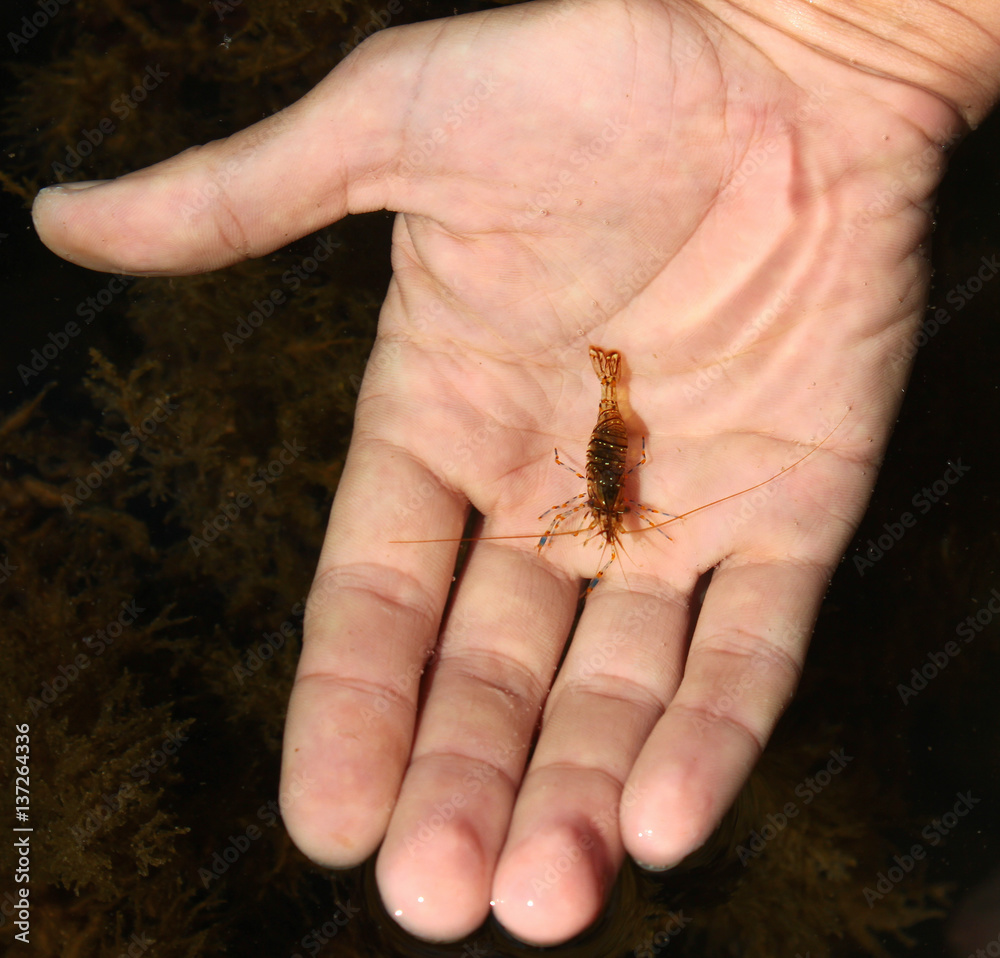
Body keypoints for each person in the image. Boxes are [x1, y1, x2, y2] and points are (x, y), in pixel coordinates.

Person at [31, 0, 1000, 946]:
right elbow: (609, 480)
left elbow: (612, 480)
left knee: (606, 499)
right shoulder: (607, 462)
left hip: (610, 442)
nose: (606, 520)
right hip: (608, 443)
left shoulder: (611, 461)